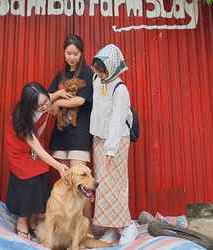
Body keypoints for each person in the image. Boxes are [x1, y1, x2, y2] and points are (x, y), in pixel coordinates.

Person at [5, 82, 69, 241]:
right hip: (18, 150)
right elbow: (38, 149)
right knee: (28, 176)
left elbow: (51, 96)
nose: (46, 106)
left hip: (33, 147)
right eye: (41, 105)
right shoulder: (20, 118)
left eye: (47, 101)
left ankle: (33, 218)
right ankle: (22, 221)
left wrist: (61, 93)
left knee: (42, 172)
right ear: (30, 106)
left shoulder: (45, 100)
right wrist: (59, 166)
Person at [90, 44, 138, 245]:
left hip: (116, 142)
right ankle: (110, 228)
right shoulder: (96, 80)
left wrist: (110, 150)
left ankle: (127, 226)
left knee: (116, 185)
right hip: (99, 139)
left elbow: (118, 121)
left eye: (103, 70)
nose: (99, 74)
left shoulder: (121, 89)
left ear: (113, 67)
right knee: (102, 186)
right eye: (97, 69)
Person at [48, 34, 93, 218]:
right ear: (64, 53)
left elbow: (81, 99)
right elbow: (47, 99)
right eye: (68, 53)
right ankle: (69, 226)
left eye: (75, 53)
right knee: (66, 184)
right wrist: (57, 94)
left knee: (82, 186)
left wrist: (58, 103)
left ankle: (87, 228)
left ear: (81, 54)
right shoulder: (60, 75)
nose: (71, 57)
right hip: (60, 134)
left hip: (79, 135)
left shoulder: (86, 73)